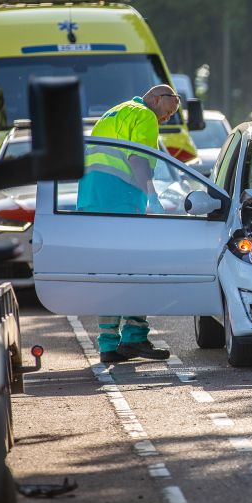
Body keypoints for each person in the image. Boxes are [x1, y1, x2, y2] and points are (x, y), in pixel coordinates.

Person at [78, 85, 179, 364]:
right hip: (120, 199)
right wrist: (152, 194)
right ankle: (135, 338)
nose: (165, 120)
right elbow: (137, 158)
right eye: (168, 113)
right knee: (136, 269)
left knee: (111, 273)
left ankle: (109, 344)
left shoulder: (114, 112)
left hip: (92, 199)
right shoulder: (144, 115)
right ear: (157, 99)